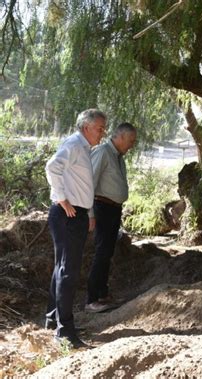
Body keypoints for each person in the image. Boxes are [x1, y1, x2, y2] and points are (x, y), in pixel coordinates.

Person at [45, 109, 107, 348]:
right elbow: (52, 167)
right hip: (67, 215)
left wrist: (88, 213)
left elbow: (82, 184)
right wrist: (63, 201)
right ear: (86, 127)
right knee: (67, 273)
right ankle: (64, 332)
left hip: (76, 214)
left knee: (62, 269)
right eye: (100, 128)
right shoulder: (74, 144)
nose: (102, 133)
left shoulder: (83, 148)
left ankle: (53, 320)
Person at [85, 122, 137, 313]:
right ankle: (91, 299)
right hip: (102, 207)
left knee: (107, 252)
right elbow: (89, 182)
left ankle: (102, 294)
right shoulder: (102, 152)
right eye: (131, 140)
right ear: (120, 136)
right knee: (101, 252)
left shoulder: (118, 156)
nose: (132, 144)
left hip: (113, 209)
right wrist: (90, 214)